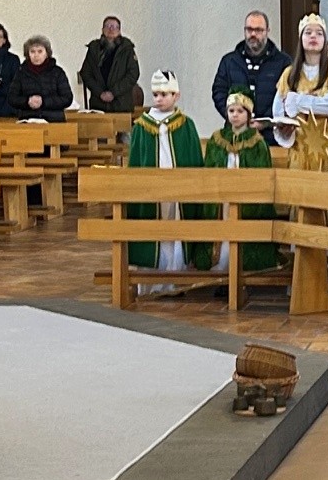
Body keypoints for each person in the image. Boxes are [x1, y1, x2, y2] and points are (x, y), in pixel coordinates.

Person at [125, 71, 211, 283]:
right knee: (154, 228)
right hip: (151, 191)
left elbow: (194, 159)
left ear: (176, 96)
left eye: (164, 94)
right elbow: (136, 161)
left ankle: (177, 275)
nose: (159, 99)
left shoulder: (186, 124)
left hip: (179, 191)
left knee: (177, 227)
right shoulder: (142, 126)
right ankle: (152, 280)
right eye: (156, 95)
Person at [202, 91, 278, 275]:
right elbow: (209, 169)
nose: (235, 115)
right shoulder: (217, 139)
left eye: (240, 111)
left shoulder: (257, 143)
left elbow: (262, 176)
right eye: (231, 111)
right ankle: (221, 265)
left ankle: (241, 267)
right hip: (222, 198)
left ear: (249, 114)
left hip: (245, 199)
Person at [271, 14, 328, 172]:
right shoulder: (289, 74)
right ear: (301, 38)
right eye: (308, 32)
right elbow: (279, 112)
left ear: (324, 40)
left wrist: (298, 102)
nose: (313, 36)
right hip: (301, 152)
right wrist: (285, 131)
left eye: (319, 33)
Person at [212, 11, 291, 121]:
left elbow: (287, 96)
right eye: (249, 29)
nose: (253, 34)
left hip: (270, 130)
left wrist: (266, 121)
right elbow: (219, 91)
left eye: (258, 30)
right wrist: (234, 115)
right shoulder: (229, 61)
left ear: (267, 31)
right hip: (236, 129)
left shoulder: (283, 62)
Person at [81, 16, 140, 113]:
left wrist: (114, 93)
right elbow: (86, 73)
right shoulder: (94, 48)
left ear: (119, 31)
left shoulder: (127, 49)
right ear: (102, 29)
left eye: (114, 27)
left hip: (121, 105)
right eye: (108, 26)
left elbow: (133, 74)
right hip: (98, 104)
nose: (111, 29)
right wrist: (100, 93)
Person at [7, 36, 73, 122]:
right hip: (28, 119)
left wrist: (44, 102)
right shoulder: (21, 73)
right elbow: (12, 98)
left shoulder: (58, 72)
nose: (36, 55)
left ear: (47, 53)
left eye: (40, 51)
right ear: (28, 54)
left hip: (54, 120)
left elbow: (67, 98)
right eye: (32, 51)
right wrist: (27, 101)